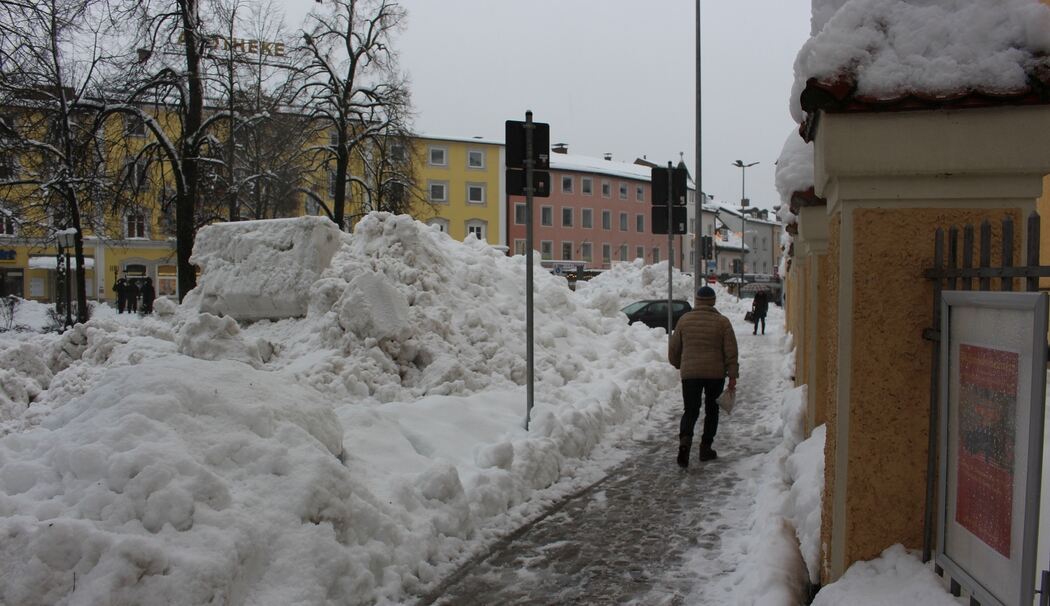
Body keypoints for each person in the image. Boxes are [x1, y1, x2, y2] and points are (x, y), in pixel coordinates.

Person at [668, 285, 739, 467]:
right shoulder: (723, 322)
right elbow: (731, 351)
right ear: (713, 301)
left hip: (690, 374)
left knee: (690, 410)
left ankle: (685, 441)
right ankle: (705, 448)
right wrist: (732, 375)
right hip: (715, 374)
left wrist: (679, 364)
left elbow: (674, 349)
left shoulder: (684, 320)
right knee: (712, 410)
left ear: (697, 301)